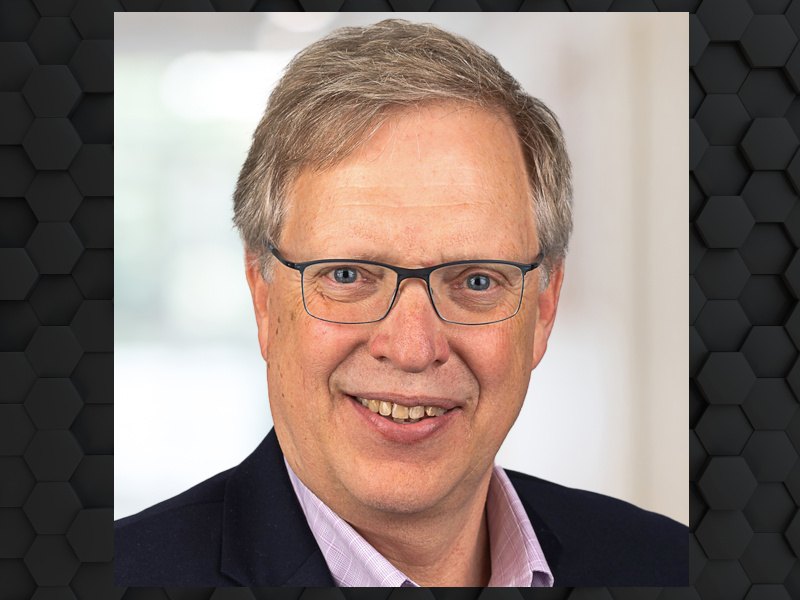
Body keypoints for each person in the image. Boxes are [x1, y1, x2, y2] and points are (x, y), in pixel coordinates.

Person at [115, 19, 687, 587]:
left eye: (476, 281)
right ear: (263, 296)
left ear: (543, 309)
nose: (413, 348)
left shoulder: (669, 565)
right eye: (347, 274)